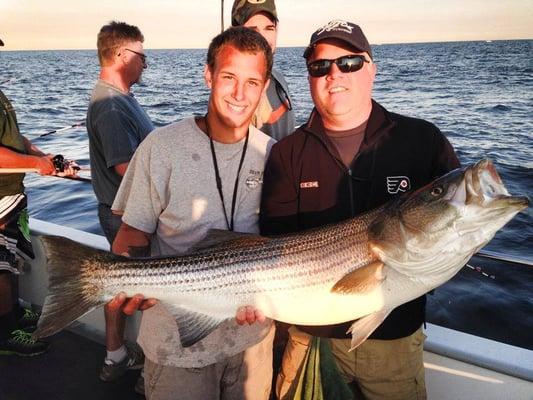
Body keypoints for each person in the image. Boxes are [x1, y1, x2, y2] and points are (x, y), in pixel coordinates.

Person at [260, 20, 460, 400]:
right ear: (309, 77)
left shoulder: (422, 139)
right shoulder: (286, 154)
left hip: (395, 342)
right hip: (310, 341)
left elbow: (456, 220)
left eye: (348, 62)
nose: (334, 74)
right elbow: (273, 246)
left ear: (371, 68)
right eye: (320, 66)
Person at [110, 27, 276, 399]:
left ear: (264, 87)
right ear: (208, 75)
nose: (239, 93)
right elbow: (132, 235)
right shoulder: (162, 146)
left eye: (252, 82)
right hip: (176, 347)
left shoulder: (273, 153)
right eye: (229, 77)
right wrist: (129, 281)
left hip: (252, 341)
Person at [86, 21, 154, 382]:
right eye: (142, 55)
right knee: (122, 284)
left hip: (127, 211)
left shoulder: (122, 99)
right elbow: (125, 166)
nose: (146, 62)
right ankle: (118, 358)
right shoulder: (111, 106)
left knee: (121, 284)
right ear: (120, 55)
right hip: (125, 214)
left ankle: (117, 354)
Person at [0, 87, 76, 356]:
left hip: (11, 194)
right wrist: (34, 163)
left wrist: (45, 159)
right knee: (1, 268)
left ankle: (15, 313)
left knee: (11, 261)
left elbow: (14, 138)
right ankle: (5, 334)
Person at [231, 0, 295, 141]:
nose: (263, 38)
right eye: (252, 30)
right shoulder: (233, 92)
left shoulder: (277, 77)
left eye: (269, 28)